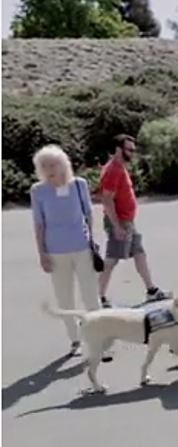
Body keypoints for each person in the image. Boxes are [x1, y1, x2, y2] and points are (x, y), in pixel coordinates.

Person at [30, 145, 102, 357]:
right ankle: (75, 340)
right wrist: (41, 253)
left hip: (81, 247)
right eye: (45, 165)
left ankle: (98, 337)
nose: (50, 168)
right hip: (55, 250)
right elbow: (39, 224)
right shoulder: (38, 190)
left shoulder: (79, 185)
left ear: (63, 163)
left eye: (53, 163)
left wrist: (91, 241)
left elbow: (88, 215)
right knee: (64, 297)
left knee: (91, 295)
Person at [98, 134, 171, 307]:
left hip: (128, 221)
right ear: (118, 149)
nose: (132, 153)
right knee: (111, 259)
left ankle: (151, 290)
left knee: (139, 253)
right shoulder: (113, 170)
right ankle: (97, 296)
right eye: (129, 150)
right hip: (120, 222)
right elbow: (107, 200)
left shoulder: (120, 168)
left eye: (133, 150)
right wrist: (116, 226)